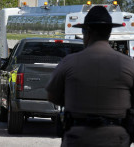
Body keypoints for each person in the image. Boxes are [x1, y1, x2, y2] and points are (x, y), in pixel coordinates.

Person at [46, 6, 133, 147]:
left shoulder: (69, 62)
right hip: (115, 138)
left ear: (87, 33)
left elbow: (52, 96)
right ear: (109, 33)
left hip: (78, 137)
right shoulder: (128, 64)